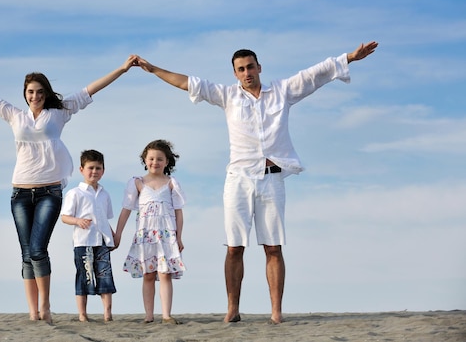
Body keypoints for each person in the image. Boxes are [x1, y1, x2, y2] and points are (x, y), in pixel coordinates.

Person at [135, 41, 379, 324]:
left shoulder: (282, 91)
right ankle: (233, 309)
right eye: (241, 69)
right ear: (235, 74)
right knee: (234, 247)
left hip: (272, 179)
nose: (247, 72)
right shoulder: (227, 96)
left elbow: (315, 74)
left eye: (250, 66)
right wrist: (153, 69)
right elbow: (187, 82)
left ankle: (276, 312)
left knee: (273, 247)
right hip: (238, 180)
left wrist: (348, 57)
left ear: (259, 67)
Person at [0, 55, 138, 323]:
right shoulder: (14, 115)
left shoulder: (59, 113)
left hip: (49, 192)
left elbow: (91, 88)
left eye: (40, 92)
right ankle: (33, 312)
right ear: (25, 94)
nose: (35, 96)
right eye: (30, 92)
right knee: (25, 253)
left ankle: (45, 306)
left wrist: (122, 70)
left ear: (46, 94)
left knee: (37, 249)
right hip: (19, 192)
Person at [114, 139, 186, 325]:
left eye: (160, 159)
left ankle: (166, 315)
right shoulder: (138, 183)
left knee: (164, 274)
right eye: (151, 158)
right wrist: (118, 233)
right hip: (145, 236)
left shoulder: (171, 183)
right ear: (145, 160)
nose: (155, 162)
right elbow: (126, 210)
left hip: (166, 236)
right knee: (148, 274)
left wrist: (179, 237)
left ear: (167, 162)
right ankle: (149, 315)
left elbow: (178, 212)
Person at [61, 150, 117, 323]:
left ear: (103, 170)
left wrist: (112, 236)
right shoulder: (75, 193)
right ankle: (82, 314)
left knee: (105, 276)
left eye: (98, 168)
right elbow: (64, 217)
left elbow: (104, 219)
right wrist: (77, 221)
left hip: (102, 241)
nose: (94, 171)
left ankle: (107, 314)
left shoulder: (104, 194)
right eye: (90, 168)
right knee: (84, 276)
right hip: (83, 242)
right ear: (81, 169)